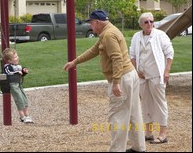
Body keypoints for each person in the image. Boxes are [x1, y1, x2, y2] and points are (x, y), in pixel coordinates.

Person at [63, 9, 146, 152]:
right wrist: (75, 62)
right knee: (133, 112)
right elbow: (94, 50)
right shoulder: (109, 31)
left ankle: (117, 149)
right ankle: (139, 147)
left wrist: (116, 82)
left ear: (98, 22)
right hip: (130, 74)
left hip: (123, 77)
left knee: (118, 116)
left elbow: (117, 58)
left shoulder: (108, 35)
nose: (90, 26)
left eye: (91, 23)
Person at [129, 12, 174, 144]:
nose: (149, 24)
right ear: (141, 24)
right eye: (146, 22)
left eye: (151, 21)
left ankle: (162, 134)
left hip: (156, 75)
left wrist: (166, 71)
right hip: (142, 77)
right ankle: (148, 133)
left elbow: (169, 52)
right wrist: (136, 71)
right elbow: (132, 55)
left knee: (160, 103)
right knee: (145, 104)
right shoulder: (136, 37)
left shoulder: (160, 35)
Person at [2, 48, 33, 123]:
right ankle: (22, 116)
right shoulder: (7, 67)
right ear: (9, 61)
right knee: (19, 99)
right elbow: (8, 73)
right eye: (15, 57)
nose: (17, 57)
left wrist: (24, 71)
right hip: (13, 85)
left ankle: (27, 115)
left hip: (18, 84)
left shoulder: (17, 66)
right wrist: (17, 72)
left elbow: (20, 74)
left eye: (17, 56)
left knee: (24, 99)